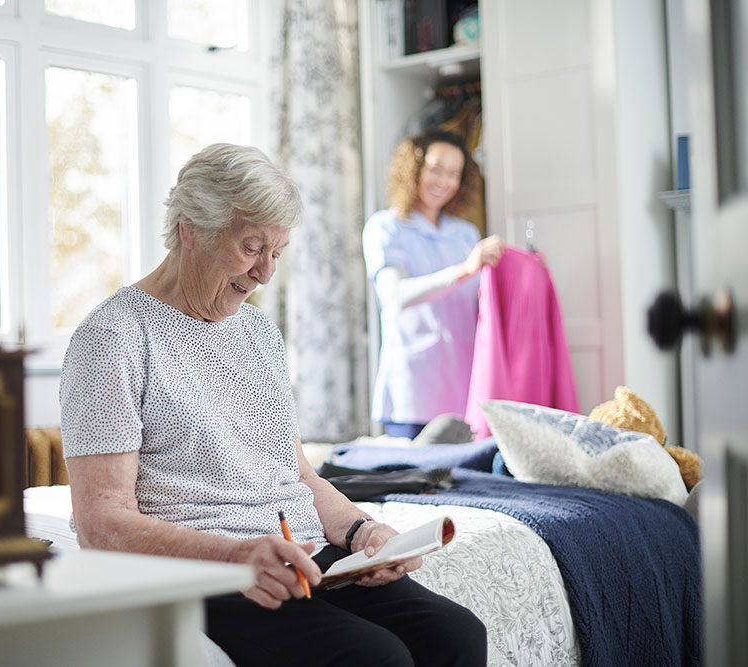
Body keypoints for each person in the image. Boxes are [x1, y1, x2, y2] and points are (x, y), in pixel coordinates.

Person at [60, 143, 487, 667]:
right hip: (209, 569)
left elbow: (296, 474)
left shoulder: (259, 331)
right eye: (250, 247)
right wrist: (239, 555)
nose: (265, 273)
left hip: (303, 557)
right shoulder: (112, 337)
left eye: (277, 252)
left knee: (457, 634)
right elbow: (101, 523)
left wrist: (361, 533)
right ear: (191, 229)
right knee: (376, 657)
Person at [362, 130, 506, 439]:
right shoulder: (385, 228)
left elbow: (486, 299)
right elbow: (395, 295)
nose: (444, 181)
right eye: (436, 169)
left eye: (453, 174)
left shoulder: (465, 234)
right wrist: (463, 269)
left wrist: (526, 267)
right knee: (413, 482)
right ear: (413, 169)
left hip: (464, 388)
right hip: (412, 391)